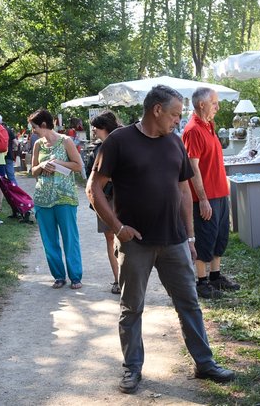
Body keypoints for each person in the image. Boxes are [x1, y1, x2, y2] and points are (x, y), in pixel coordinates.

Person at [86, 85, 237, 395]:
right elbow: (93, 188)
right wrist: (117, 227)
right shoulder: (119, 142)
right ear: (156, 110)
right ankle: (132, 368)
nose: (177, 121)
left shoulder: (174, 143)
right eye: (174, 115)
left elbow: (184, 190)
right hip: (136, 243)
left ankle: (204, 363)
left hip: (175, 241)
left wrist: (191, 235)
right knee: (132, 308)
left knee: (189, 304)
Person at [181, 87, 240, 299]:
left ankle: (215, 277)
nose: (218, 106)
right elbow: (193, 168)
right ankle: (202, 282)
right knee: (205, 238)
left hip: (220, 193)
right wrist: (203, 199)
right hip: (205, 197)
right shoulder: (193, 130)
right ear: (201, 104)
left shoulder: (209, 126)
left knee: (220, 237)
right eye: (214, 102)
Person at [28, 108, 84, 290]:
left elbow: (78, 166)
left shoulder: (65, 141)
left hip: (65, 197)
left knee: (70, 238)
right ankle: (59, 276)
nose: (33, 131)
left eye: (34, 127)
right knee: (49, 240)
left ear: (44, 125)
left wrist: (59, 163)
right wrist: (42, 165)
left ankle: (75, 277)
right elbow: (32, 170)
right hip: (43, 198)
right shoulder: (38, 144)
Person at [85, 111, 121, 295]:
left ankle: (126, 279)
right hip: (105, 198)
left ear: (103, 128)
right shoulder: (98, 148)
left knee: (124, 238)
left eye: (96, 128)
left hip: (121, 197)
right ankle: (118, 279)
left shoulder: (122, 143)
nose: (93, 131)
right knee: (109, 237)